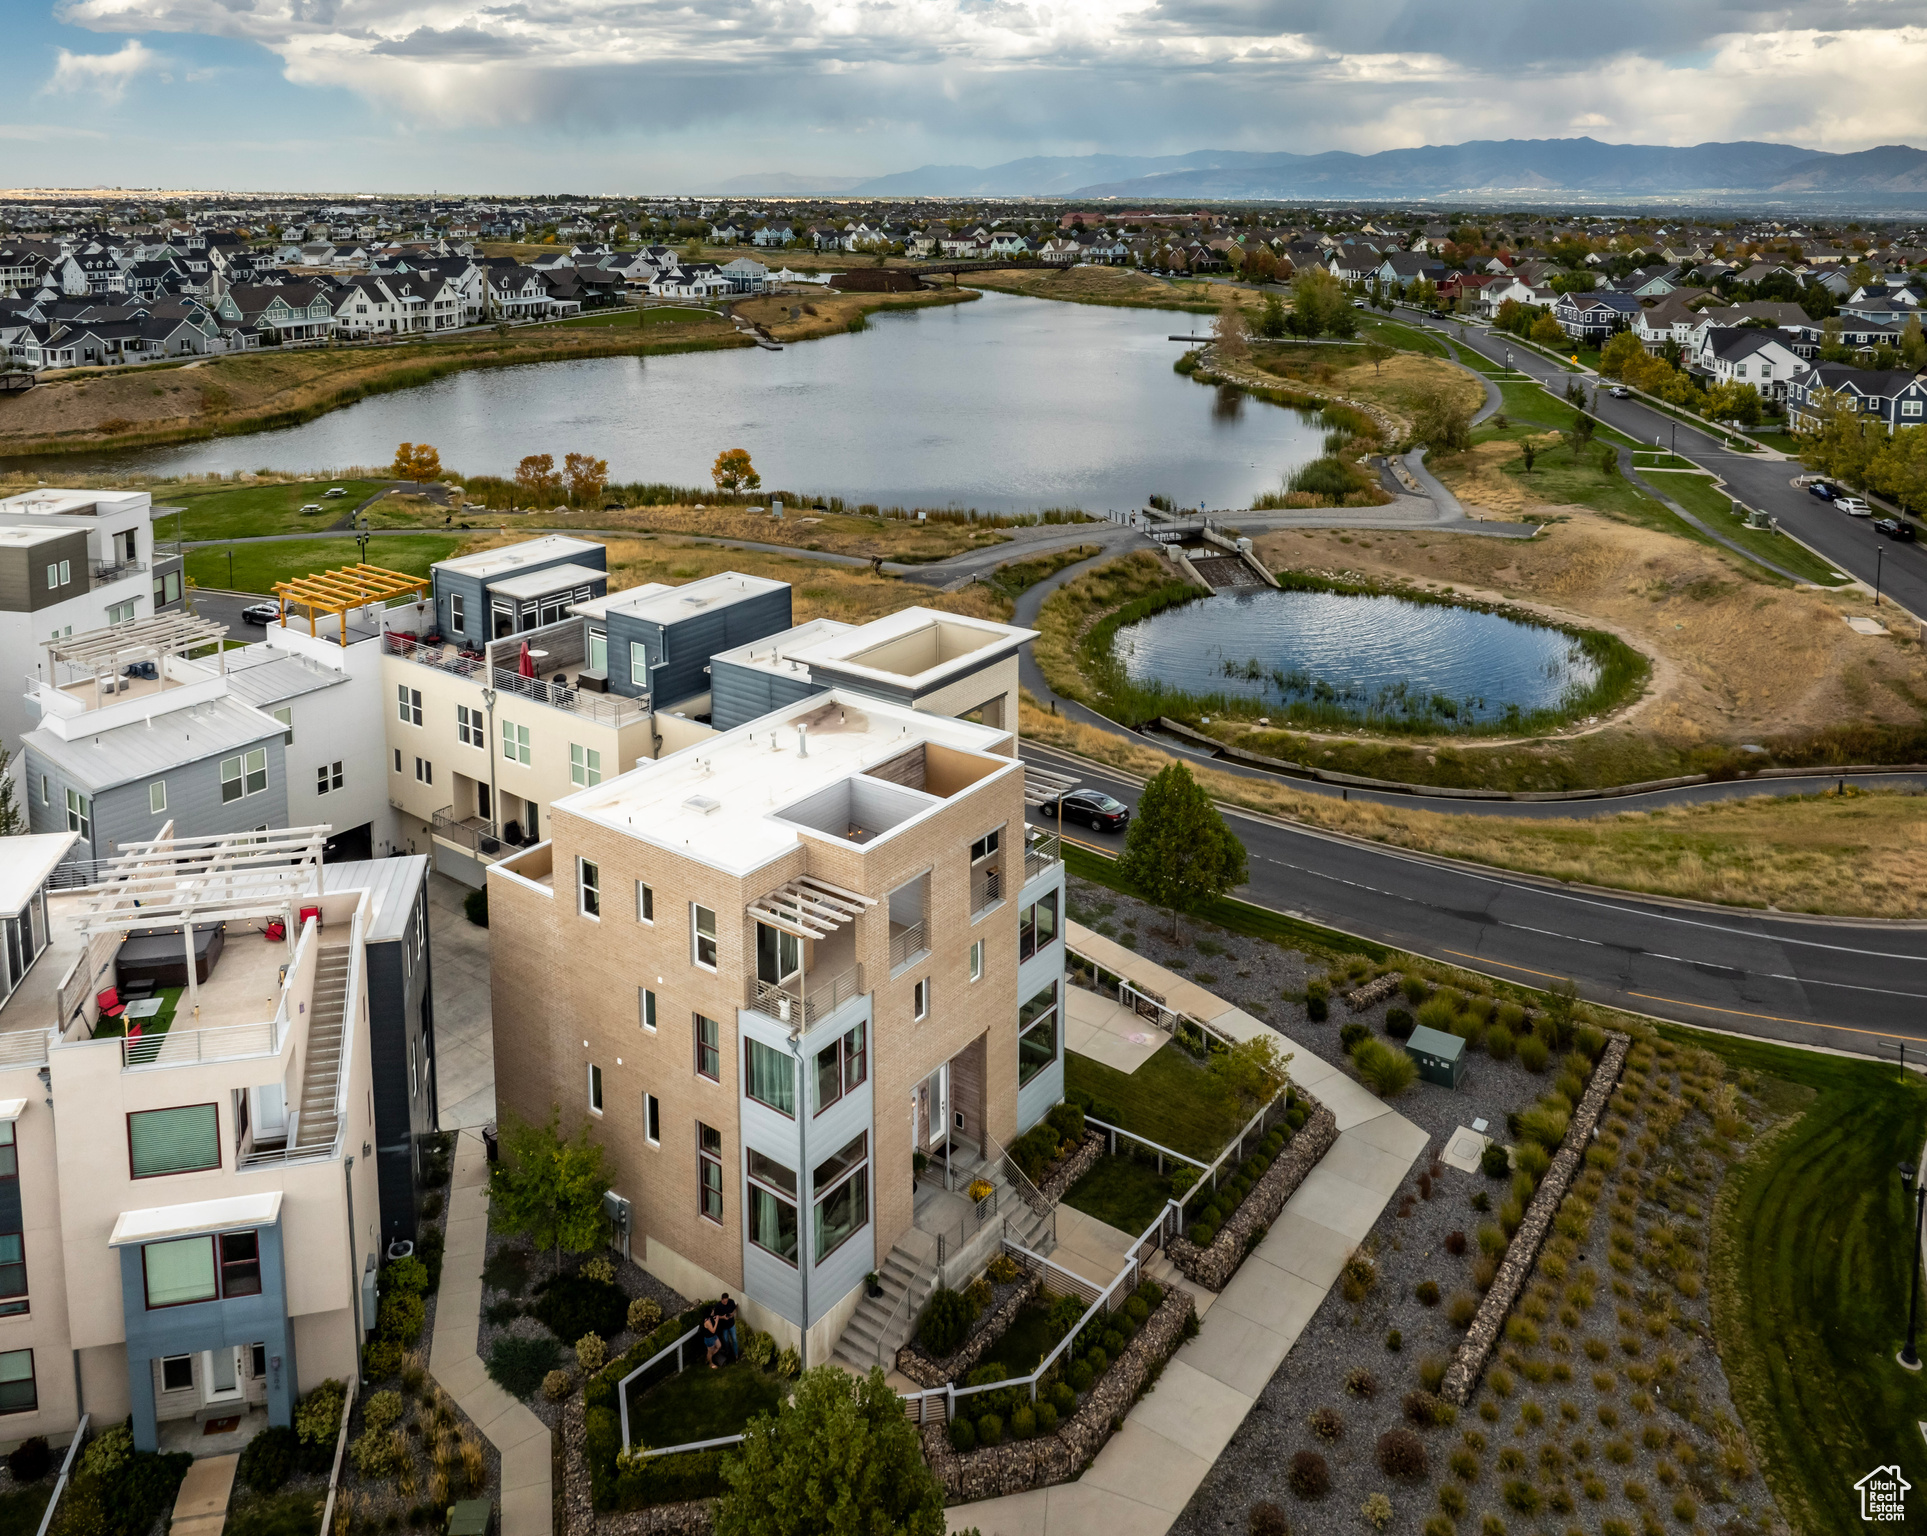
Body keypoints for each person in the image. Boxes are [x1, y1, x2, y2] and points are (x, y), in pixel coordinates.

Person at [715, 1292, 740, 1363]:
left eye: (727, 1301)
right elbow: (716, 1316)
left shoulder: (731, 1302)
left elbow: (735, 1309)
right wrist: (722, 1317)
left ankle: (736, 1355)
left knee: (734, 1340)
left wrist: (733, 1313)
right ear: (721, 1299)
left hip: (731, 1325)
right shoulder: (718, 1306)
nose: (726, 1303)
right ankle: (728, 1352)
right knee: (726, 1340)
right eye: (724, 1301)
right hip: (724, 1327)